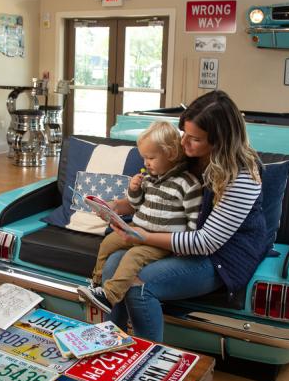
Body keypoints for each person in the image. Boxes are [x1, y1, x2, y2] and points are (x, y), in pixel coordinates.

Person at [101, 91, 268, 342]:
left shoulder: (242, 178)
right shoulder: (191, 157)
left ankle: (147, 360)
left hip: (221, 257)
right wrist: (117, 206)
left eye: (195, 139)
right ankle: (109, 344)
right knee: (113, 263)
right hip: (179, 240)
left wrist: (145, 237)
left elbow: (206, 242)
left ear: (220, 141)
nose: (184, 143)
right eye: (184, 134)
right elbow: (161, 201)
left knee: (139, 288)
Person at [78, 121, 202, 314]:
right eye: (144, 157)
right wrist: (133, 190)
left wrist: (183, 247)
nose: (145, 163)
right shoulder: (149, 179)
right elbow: (136, 205)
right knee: (108, 243)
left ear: (170, 154)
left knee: (133, 257)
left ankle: (109, 296)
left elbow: (194, 219)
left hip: (158, 242)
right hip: (135, 230)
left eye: (151, 157)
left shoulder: (187, 184)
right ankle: (96, 283)